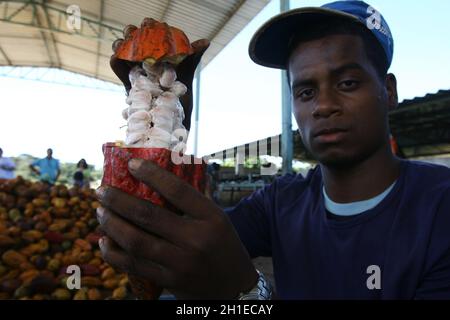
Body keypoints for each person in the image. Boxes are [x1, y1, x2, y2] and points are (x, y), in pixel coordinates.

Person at [96, 2, 450, 300]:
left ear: (389, 91)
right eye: (306, 91)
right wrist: (164, 109)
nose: (323, 105)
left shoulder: (439, 208)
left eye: (347, 83)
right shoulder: (280, 202)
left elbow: (234, 287)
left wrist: (250, 294)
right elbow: (188, 246)